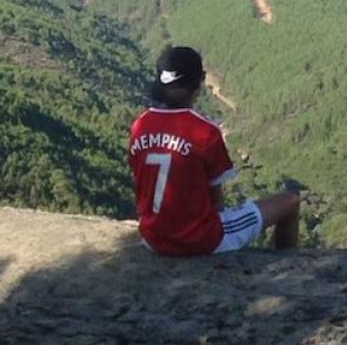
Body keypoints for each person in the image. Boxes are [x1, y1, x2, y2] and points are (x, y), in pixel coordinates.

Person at [128, 45, 300, 256]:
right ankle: (289, 264)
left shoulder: (140, 125)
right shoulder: (204, 132)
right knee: (290, 202)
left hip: (153, 238)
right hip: (198, 240)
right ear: (199, 83)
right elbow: (216, 201)